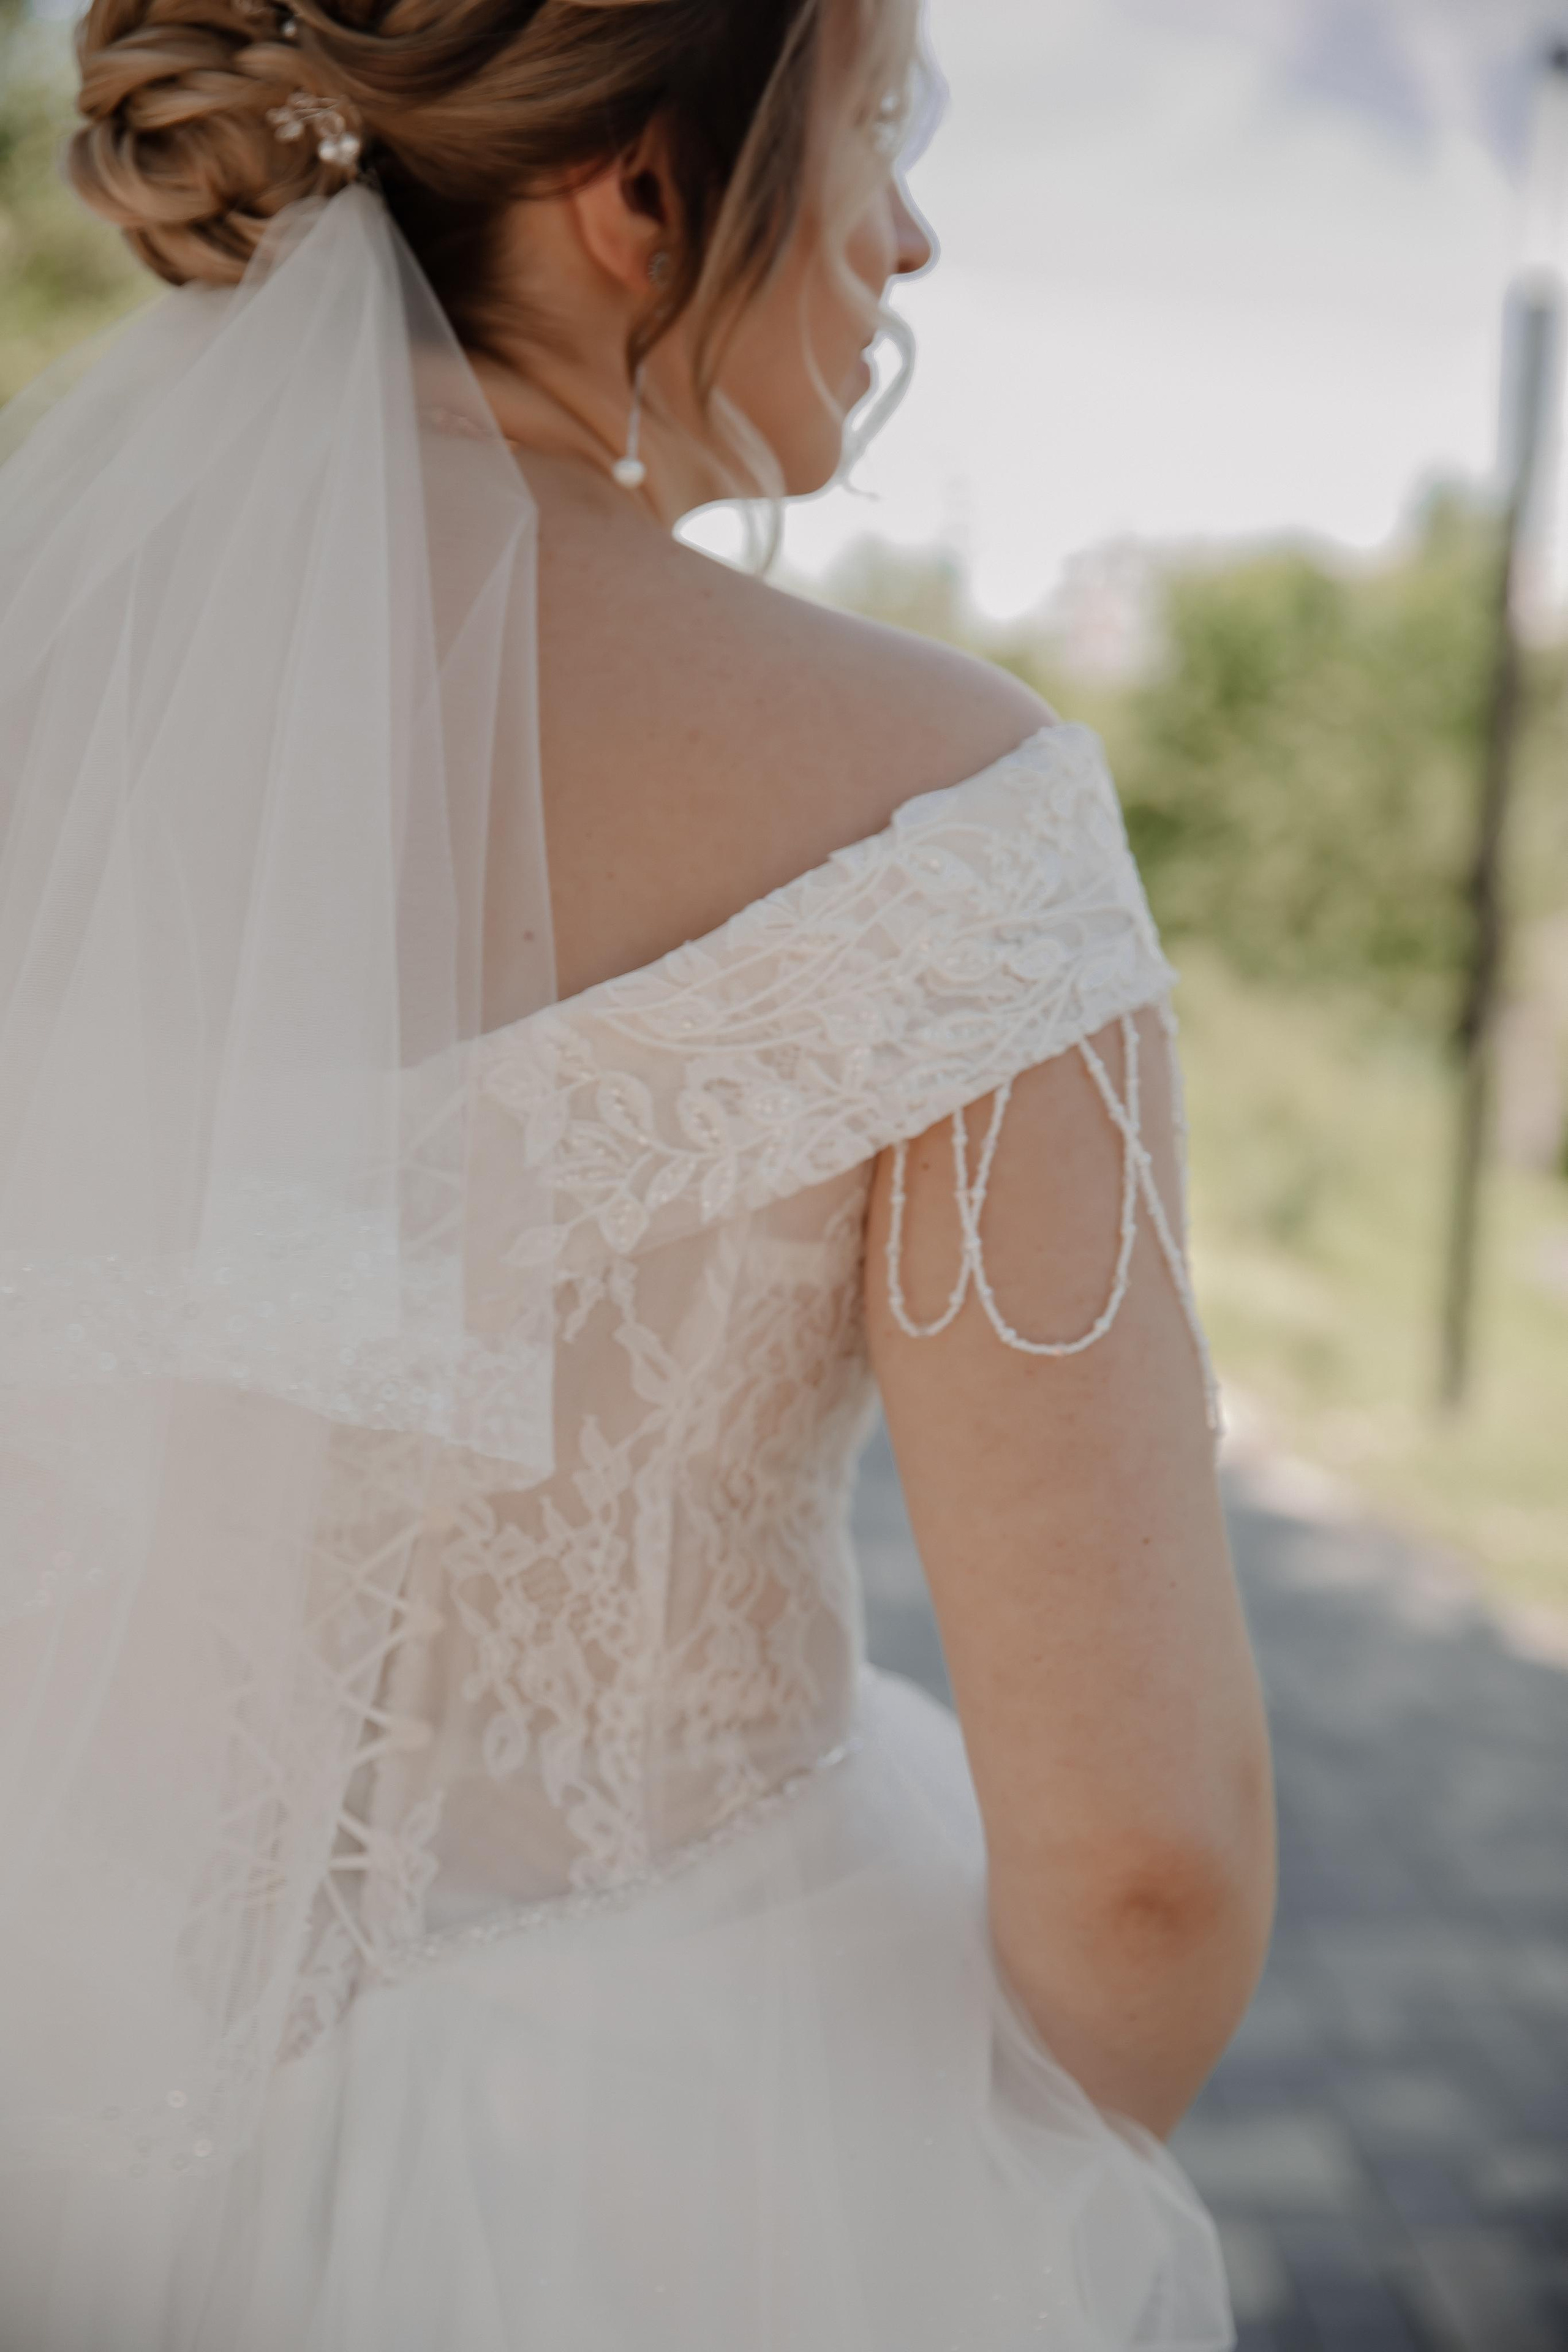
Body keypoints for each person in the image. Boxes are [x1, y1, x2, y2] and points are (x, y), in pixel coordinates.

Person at [0, 0, 1275, 2344]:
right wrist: (959, 2217)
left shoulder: (40, 698)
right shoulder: (944, 812)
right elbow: (1145, 1874)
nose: (909, 230)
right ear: (648, 193)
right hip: (661, 2175)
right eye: (877, 126)